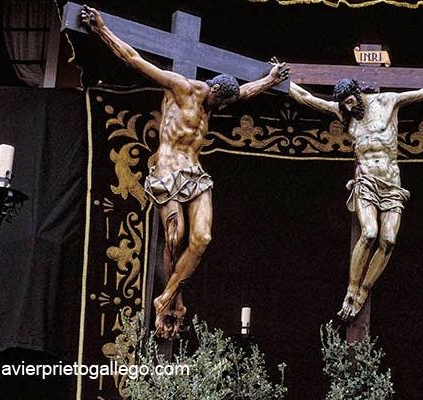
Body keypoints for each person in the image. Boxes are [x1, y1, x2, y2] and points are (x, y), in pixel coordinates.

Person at [81, 5, 290, 338]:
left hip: (195, 173)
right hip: (167, 171)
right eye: (221, 104)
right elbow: (134, 59)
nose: (220, 110)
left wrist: (270, 79)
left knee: (202, 238)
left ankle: (165, 297)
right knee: (175, 237)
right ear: (213, 91)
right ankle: (173, 303)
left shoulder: (216, 99)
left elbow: (246, 91)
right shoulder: (181, 87)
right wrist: (101, 30)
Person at [289, 78, 423, 320]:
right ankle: (352, 289)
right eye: (344, 104)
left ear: (358, 92)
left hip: (392, 183)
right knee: (370, 233)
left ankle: (364, 290)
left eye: (350, 101)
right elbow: (308, 98)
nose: (348, 107)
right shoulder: (344, 113)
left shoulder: (387, 101)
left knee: (388, 240)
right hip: (366, 181)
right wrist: (279, 79)